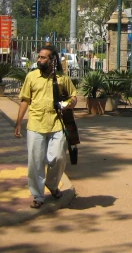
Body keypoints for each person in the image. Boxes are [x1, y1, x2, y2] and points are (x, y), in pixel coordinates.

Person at [15, 44, 78, 208]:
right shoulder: (31, 77)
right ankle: (38, 195)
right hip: (35, 124)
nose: (39, 60)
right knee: (35, 162)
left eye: (43, 57)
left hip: (57, 123)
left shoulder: (62, 78)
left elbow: (74, 97)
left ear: (53, 60)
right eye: (39, 57)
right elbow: (24, 101)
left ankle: (52, 184)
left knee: (57, 157)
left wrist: (67, 104)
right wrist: (18, 123)